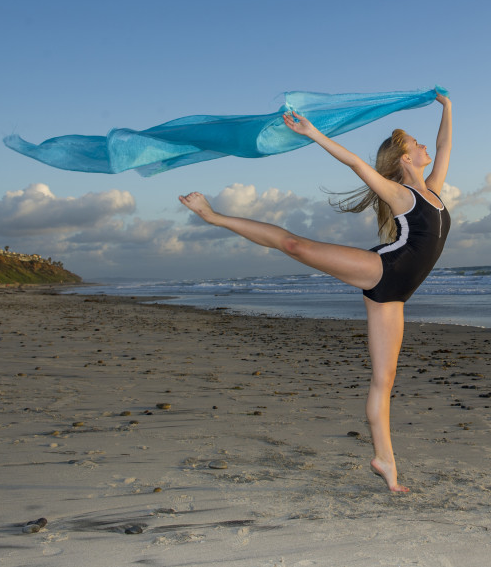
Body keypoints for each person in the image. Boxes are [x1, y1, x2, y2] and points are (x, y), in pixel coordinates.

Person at [178, 93, 452, 493]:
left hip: (395, 297)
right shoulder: (402, 195)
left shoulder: (435, 190)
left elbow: (445, 145)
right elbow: (357, 164)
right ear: (405, 159)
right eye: (417, 143)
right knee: (296, 246)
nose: (426, 146)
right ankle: (213, 215)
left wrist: (447, 107)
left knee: (384, 379)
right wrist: (313, 133)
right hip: (383, 270)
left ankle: (385, 462)